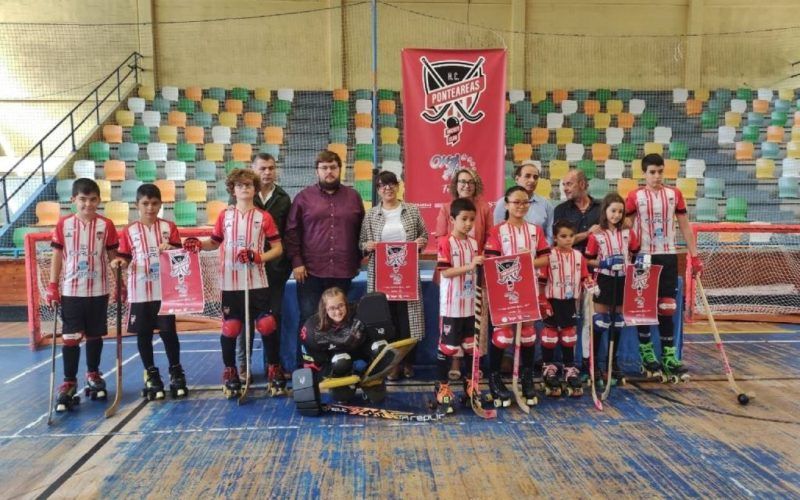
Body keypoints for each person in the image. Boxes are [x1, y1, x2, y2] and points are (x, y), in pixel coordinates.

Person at [183, 169, 283, 398]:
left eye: (249, 185)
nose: (244, 188)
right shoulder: (224, 216)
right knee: (231, 328)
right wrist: (198, 244)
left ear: (255, 189)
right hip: (230, 282)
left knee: (267, 325)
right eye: (240, 185)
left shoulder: (263, 217)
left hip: (257, 281)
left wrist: (258, 257)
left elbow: (278, 248)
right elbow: (213, 242)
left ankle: (273, 368)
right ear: (233, 189)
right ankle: (230, 372)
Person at [625, 153, 702, 380]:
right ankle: (647, 354)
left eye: (660, 171)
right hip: (643, 256)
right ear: (644, 173)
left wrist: (694, 256)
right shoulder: (634, 196)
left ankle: (669, 356)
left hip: (668, 255)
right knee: (644, 307)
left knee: (667, 306)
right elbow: (626, 227)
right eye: (652, 172)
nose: (656, 176)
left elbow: (685, 227)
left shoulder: (674, 195)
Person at [46, 178, 120, 412]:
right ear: (73, 200)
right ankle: (69, 381)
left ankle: (93, 373)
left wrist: (120, 283)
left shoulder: (106, 225)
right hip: (71, 291)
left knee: (95, 336)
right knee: (70, 337)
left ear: (99, 200)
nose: (88, 204)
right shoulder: (63, 224)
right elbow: (57, 256)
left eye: (93, 199)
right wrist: (52, 285)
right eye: (83, 199)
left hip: (99, 290)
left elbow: (113, 257)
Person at [111, 184, 187, 400]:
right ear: (137, 205)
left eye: (154, 204)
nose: (150, 208)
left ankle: (176, 370)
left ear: (160, 204)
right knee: (143, 334)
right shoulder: (129, 231)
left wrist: (172, 249)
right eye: (145, 204)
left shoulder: (168, 227)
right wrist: (119, 262)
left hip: (164, 292)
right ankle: (151, 373)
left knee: (168, 333)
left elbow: (180, 255)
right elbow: (124, 257)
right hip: (140, 291)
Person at [285, 150, 365, 353]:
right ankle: (306, 367)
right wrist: (296, 262)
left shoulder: (354, 197)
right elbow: (292, 232)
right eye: (324, 168)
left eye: (333, 167)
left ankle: (338, 365)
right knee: (310, 320)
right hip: (310, 272)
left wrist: (358, 259)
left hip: (343, 270)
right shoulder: (303, 198)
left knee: (340, 321)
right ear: (317, 171)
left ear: (340, 170)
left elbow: (362, 231)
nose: (329, 172)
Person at [484, 186, 550, 407]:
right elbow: (491, 262)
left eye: (525, 202)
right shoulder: (496, 231)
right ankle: (494, 379)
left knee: (529, 335)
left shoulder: (535, 231)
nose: (521, 206)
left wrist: (526, 262)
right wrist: (515, 264)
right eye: (516, 202)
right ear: (507, 204)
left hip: (528, 289)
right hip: (503, 290)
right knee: (502, 336)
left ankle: (527, 379)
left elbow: (545, 259)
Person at [359, 171, 428, 380]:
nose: (387, 188)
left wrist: (420, 243)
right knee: (387, 321)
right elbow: (361, 242)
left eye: (391, 184)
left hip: (406, 275)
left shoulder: (412, 211)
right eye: (382, 185)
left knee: (408, 321)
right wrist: (367, 245)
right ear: (378, 190)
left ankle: (408, 361)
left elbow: (423, 235)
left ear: (398, 186)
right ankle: (392, 363)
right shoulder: (371, 214)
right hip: (381, 276)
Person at [234, 153, 291, 385]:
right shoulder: (242, 196)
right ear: (253, 170)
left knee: (271, 321)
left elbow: (288, 235)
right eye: (262, 168)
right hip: (246, 272)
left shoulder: (284, 198)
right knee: (243, 320)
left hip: (275, 271)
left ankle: (272, 365)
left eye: (271, 168)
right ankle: (243, 367)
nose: (267, 172)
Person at [585, 193, 640, 386]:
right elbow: (588, 259)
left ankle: (612, 363)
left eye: (620, 211)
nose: (616, 215)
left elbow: (635, 251)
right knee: (601, 323)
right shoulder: (596, 234)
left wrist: (639, 262)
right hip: (604, 279)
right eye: (613, 211)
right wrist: (604, 262)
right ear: (605, 211)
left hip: (623, 279)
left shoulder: (628, 232)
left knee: (617, 322)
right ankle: (594, 364)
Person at [434, 198, 484, 412]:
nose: (468, 223)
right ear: (452, 219)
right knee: (448, 347)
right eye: (464, 219)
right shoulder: (445, 242)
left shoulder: (473, 243)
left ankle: (470, 385)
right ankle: (442, 387)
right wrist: (470, 265)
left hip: (470, 305)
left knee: (471, 347)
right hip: (452, 306)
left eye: (472, 219)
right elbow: (445, 271)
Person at [554, 168, 603, 378]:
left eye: (569, 184)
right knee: (569, 320)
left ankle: (588, 364)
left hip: (595, 271)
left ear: (583, 184)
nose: (565, 188)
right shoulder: (561, 210)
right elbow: (562, 240)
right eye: (564, 184)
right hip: (567, 273)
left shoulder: (602, 208)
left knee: (591, 319)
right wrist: (588, 233)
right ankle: (569, 364)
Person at [538, 220, 596, 398]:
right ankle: (548, 366)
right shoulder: (548, 256)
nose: (568, 239)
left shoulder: (579, 256)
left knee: (569, 335)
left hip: (570, 301)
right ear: (555, 238)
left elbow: (585, 276)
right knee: (550, 335)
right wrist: (542, 300)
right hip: (552, 300)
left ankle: (569, 367)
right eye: (563, 236)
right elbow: (541, 280)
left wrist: (591, 285)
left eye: (571, 236)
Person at [300, 287, 370, 400]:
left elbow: (368, 342)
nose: (337, 312)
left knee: (374, 354)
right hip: (330, 363)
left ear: (346, 304)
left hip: (356, 356)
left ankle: (368, 385)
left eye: (341, 306)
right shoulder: (312, 328)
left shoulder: (358, 315)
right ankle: (343, 387)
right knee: (341, 362)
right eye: (332, 308)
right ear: (324, 309)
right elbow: (310, 361)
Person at [493, 160, 554, 244]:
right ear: (517, 179)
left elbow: (550, 235)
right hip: (510, 254)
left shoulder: (546, 205)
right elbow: (497, 233)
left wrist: (541, 252)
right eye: (527, 176)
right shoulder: (503, 203)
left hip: (539, 254)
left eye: (535, 177)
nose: (532, 180)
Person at [435, 168, 493, 251]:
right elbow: (440, 237)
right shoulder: (446, 208)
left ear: (476, 186)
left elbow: (490, 236)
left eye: (471, 182)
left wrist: (483, 255)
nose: (467, 185)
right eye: (462, 181)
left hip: (478, 259)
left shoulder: (484, 208)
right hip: (453, 259)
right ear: (456, 185)